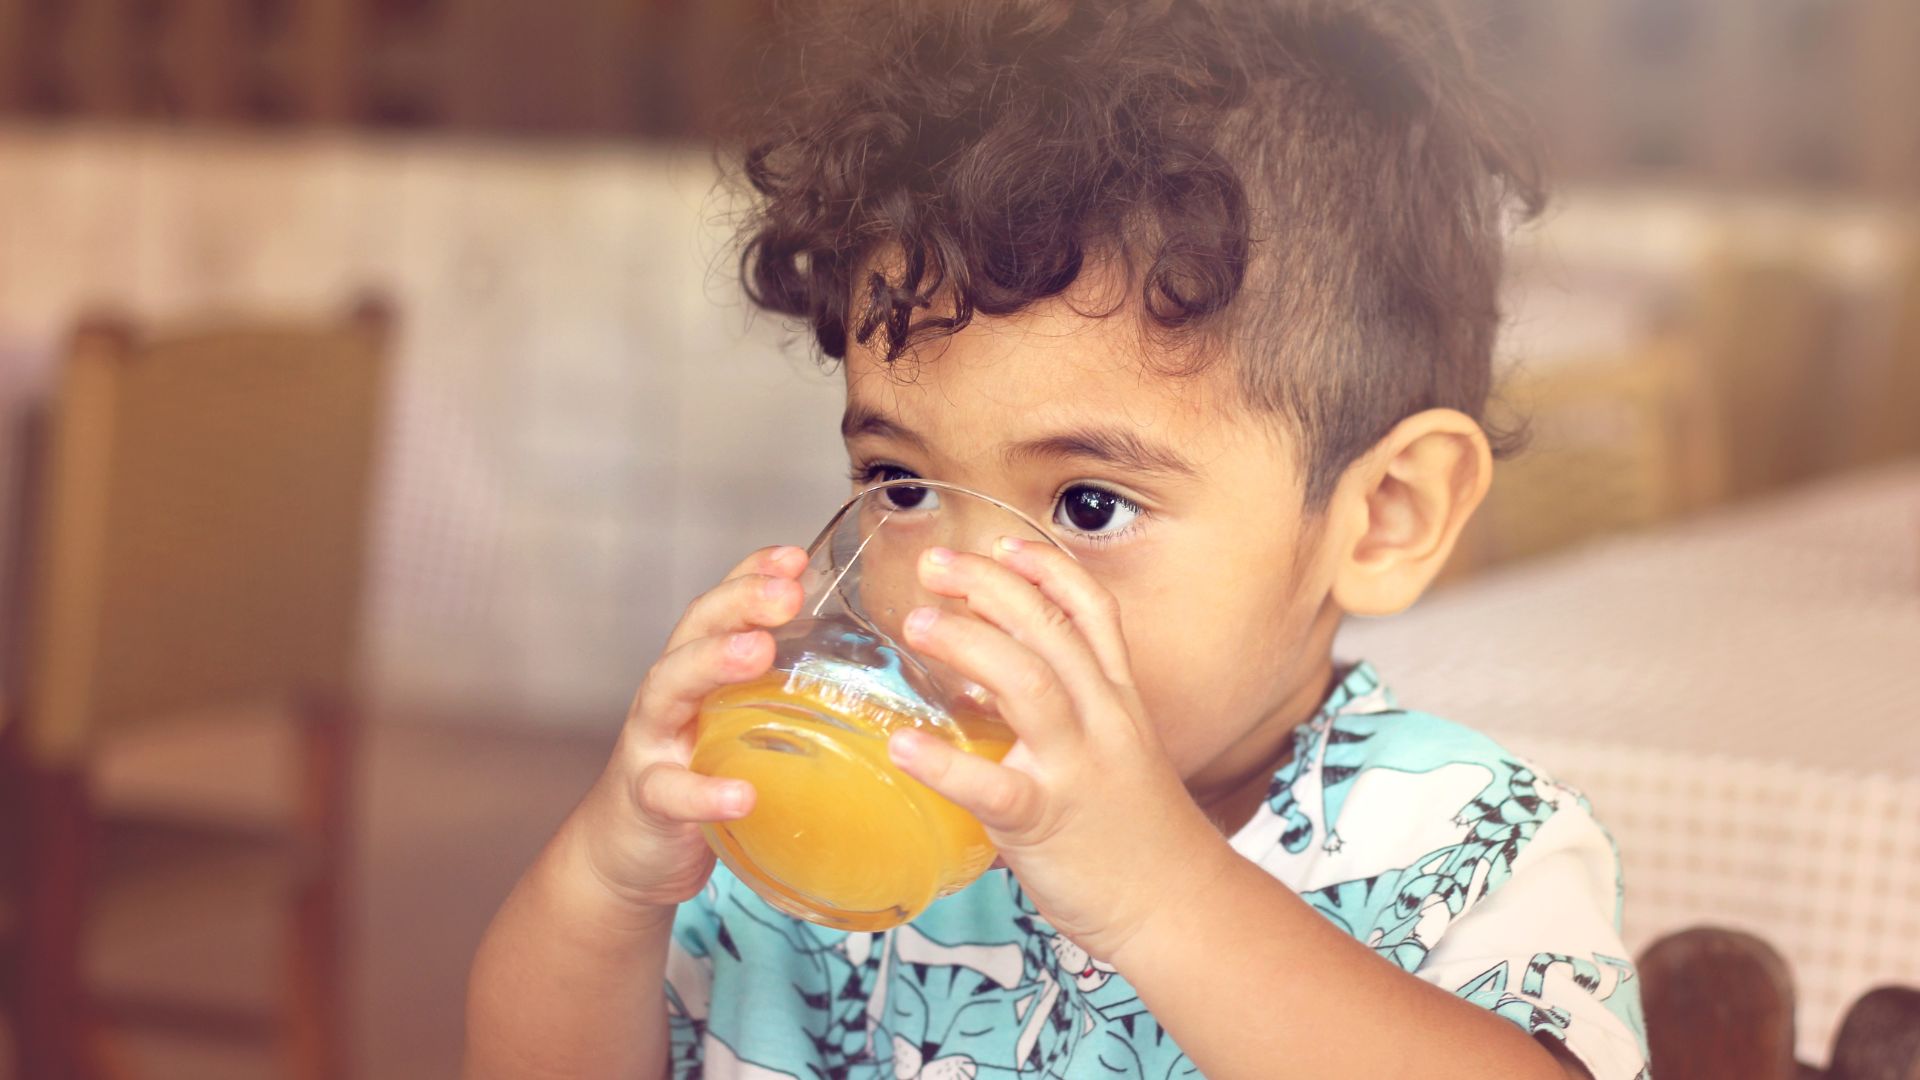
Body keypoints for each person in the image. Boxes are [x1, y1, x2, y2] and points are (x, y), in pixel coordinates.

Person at [466, 1, 1651, 1077]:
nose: (953, 587)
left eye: (1089, 505)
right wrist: (607, 887)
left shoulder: (1461, 843)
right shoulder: (818, 847)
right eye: (901, 484)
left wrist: (1156, 892)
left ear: (1383, 515)